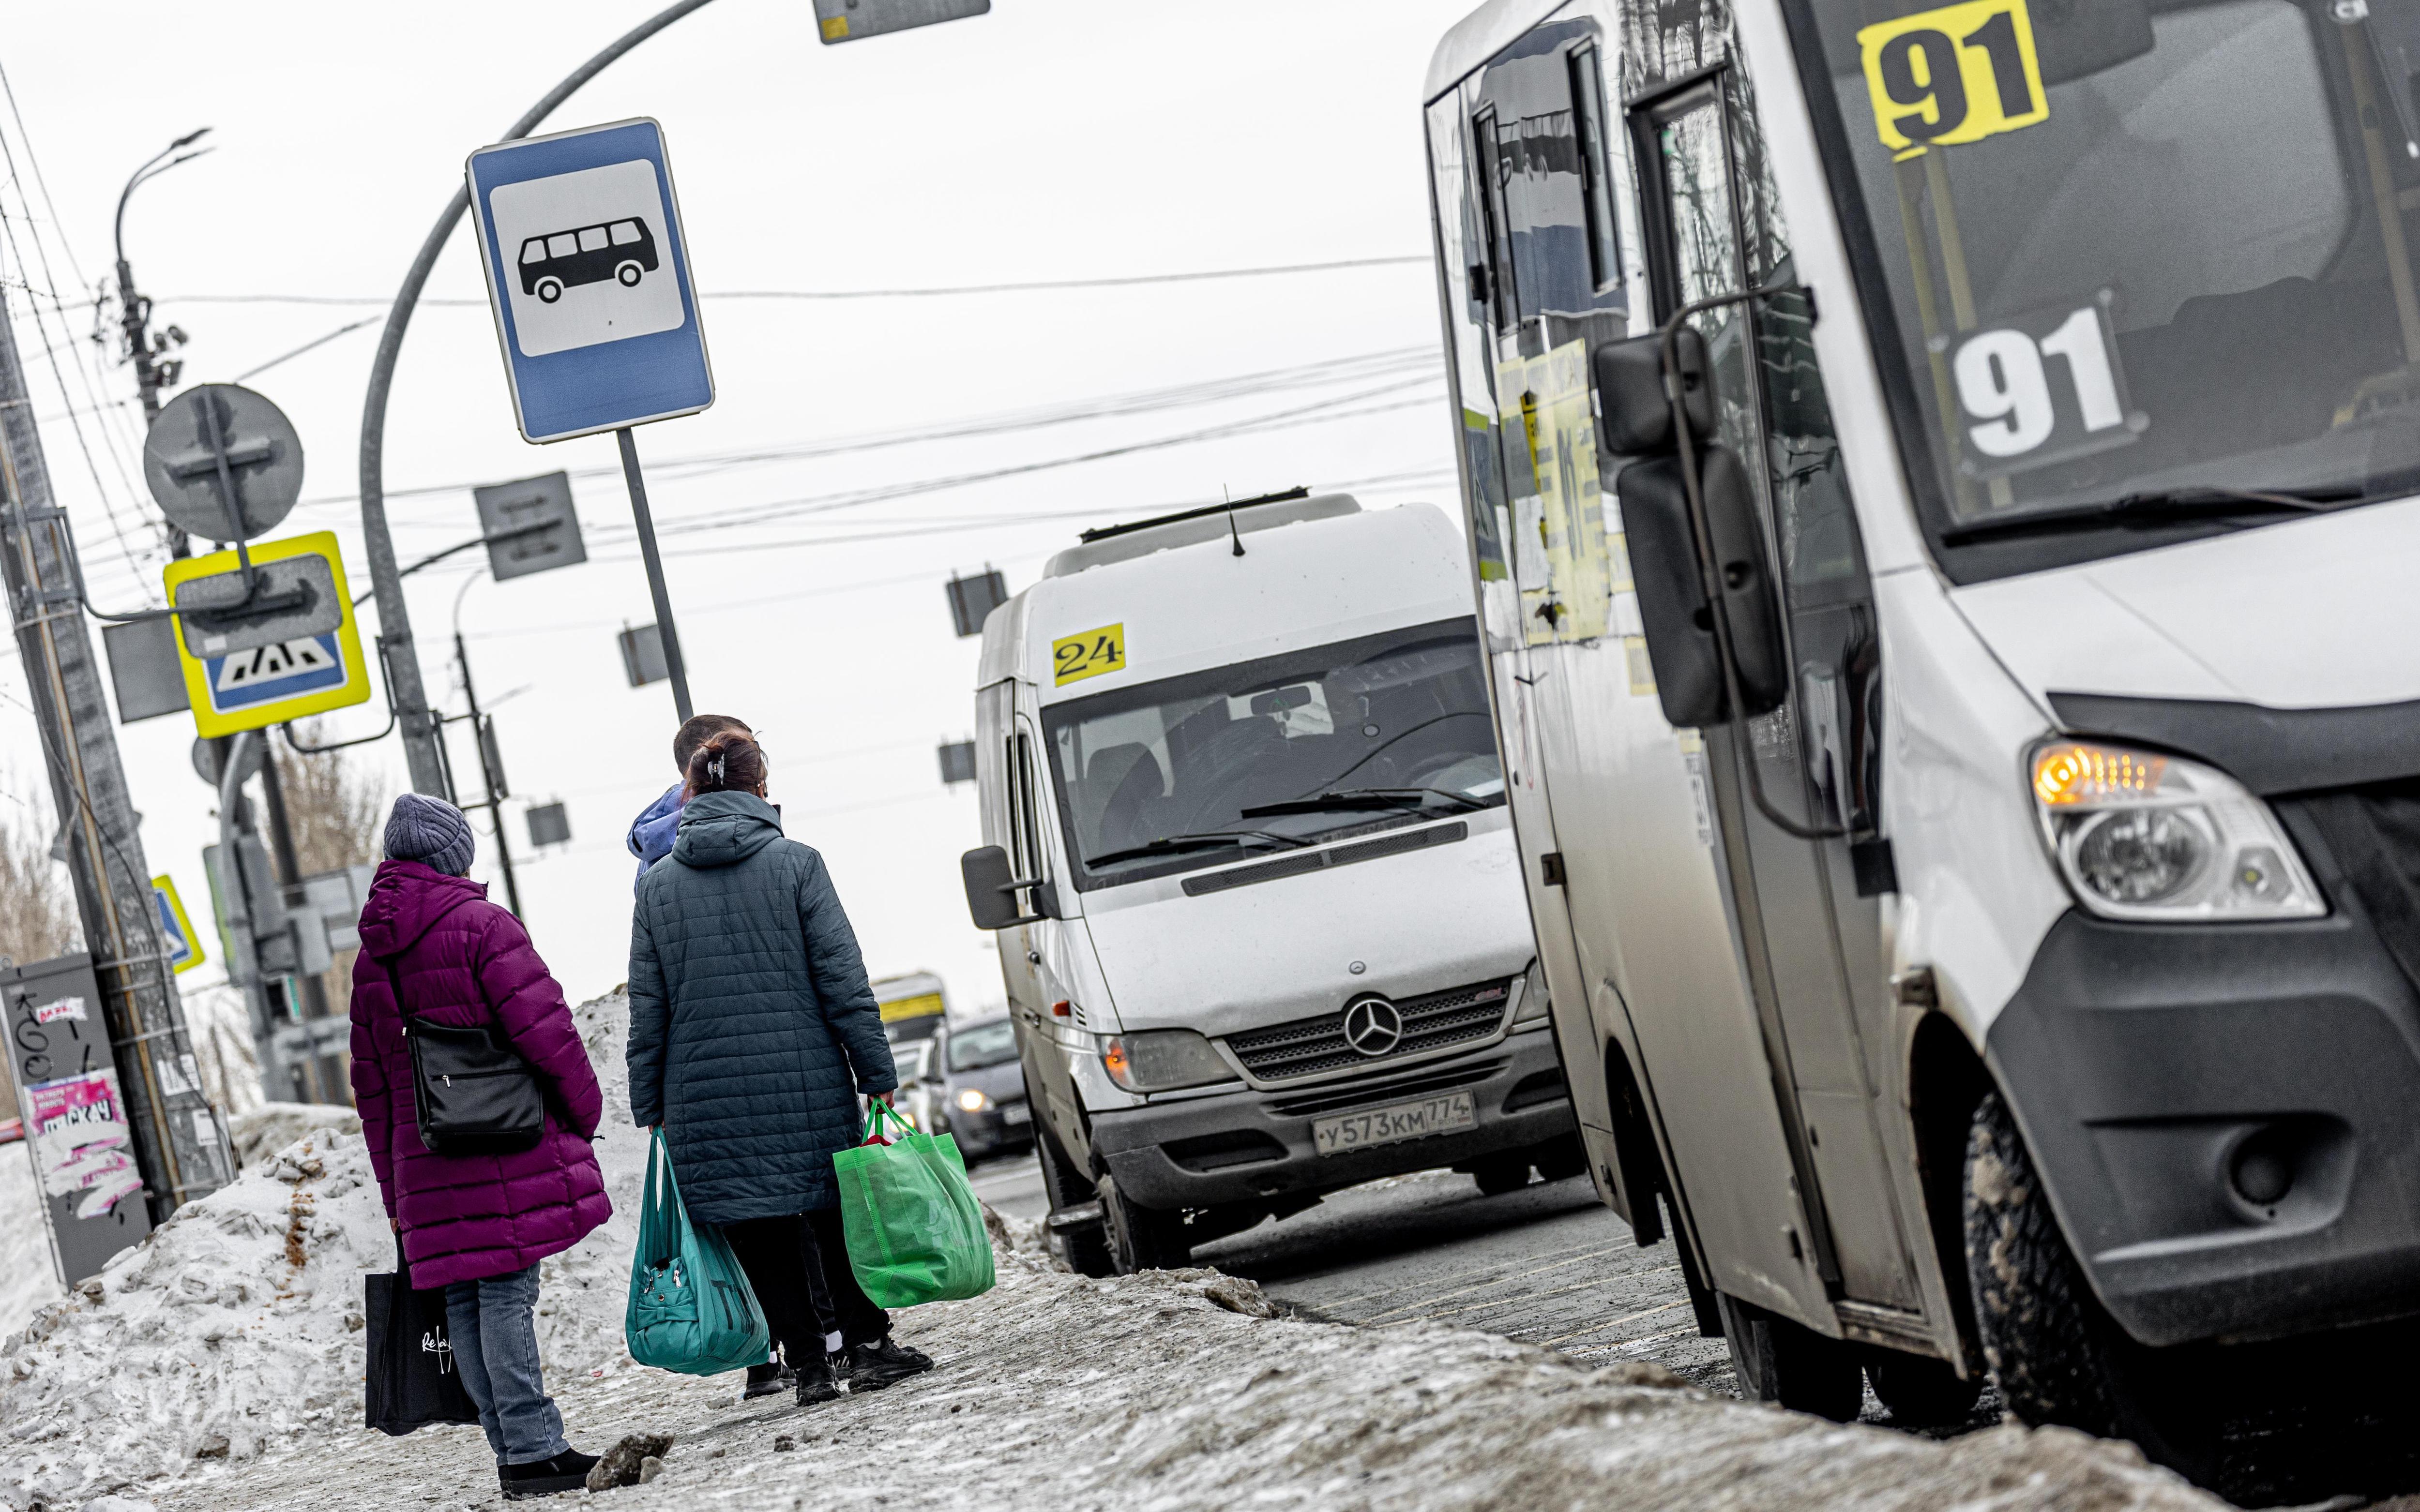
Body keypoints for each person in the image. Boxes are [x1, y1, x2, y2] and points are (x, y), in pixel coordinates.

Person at [625, 729, 934, 1407]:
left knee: (758, 1227)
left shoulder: (660, 889)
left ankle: (807, 1366)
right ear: (759, 786)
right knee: (833, 1211)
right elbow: (842, 979)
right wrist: (875, 1069)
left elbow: (650, 1008)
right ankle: (867, 1345)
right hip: (806, 1080)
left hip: (704, 1094)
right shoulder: (797, 863)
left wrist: (648, 1101)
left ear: (693, 791)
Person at [351, 793, 611, 1501]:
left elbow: (370, 1089)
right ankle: (534, 1448)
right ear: (452, 855)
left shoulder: (373, 961)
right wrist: (584, 1112)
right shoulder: (482, 927)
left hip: (425, 1160)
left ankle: (513, 1448)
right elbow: (547, 1029)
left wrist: (394, 1193)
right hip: (500, 1142)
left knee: (467, 1300)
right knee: (504, 1292)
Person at [626, 713, 753, 890]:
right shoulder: (719, 819)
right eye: (739, 748)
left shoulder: (654, 843)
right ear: (709, 758)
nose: (752, 759)